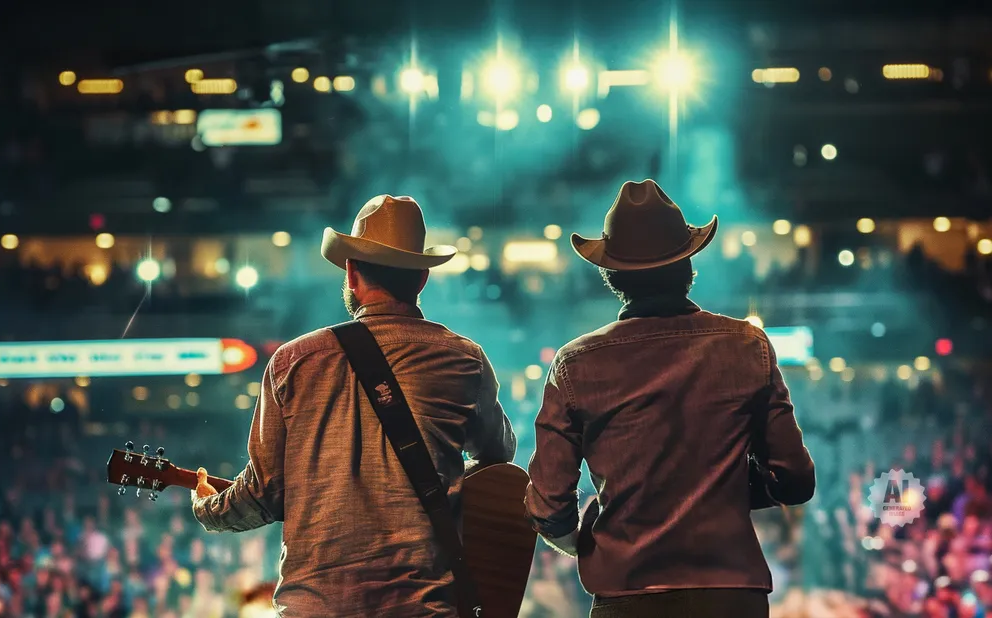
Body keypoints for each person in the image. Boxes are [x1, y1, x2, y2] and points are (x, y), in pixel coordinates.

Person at [192, 195, 517, 616]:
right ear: (422, 277)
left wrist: (208, 506)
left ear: (351, 272)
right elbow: (498, 458)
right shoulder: (463, 359)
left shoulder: (293, 362)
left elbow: (263, 494)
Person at [525, 180, 816, 618]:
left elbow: (548, 505)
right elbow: (795, 478)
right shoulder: (746, 345)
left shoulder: (575, 364)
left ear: (612, 275)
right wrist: (733, 486)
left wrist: (584, 543)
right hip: (731, 597)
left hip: (627, 599)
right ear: (688, 263)